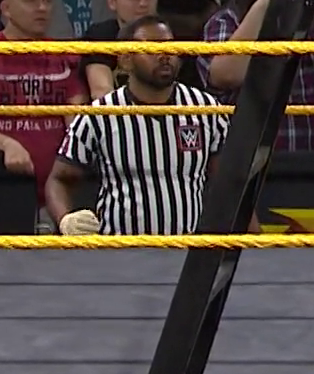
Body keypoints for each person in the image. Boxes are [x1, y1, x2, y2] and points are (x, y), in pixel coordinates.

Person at [47, 15, 226, 236]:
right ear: (126, 60)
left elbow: (229, 182)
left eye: (170, 46)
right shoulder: (100, 115)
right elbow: (58, 180)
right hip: (120, 248)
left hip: (186, 247)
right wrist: (66, 220)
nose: (164, 55)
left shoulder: (206, 109)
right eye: (151, 48)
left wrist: (254, 242)